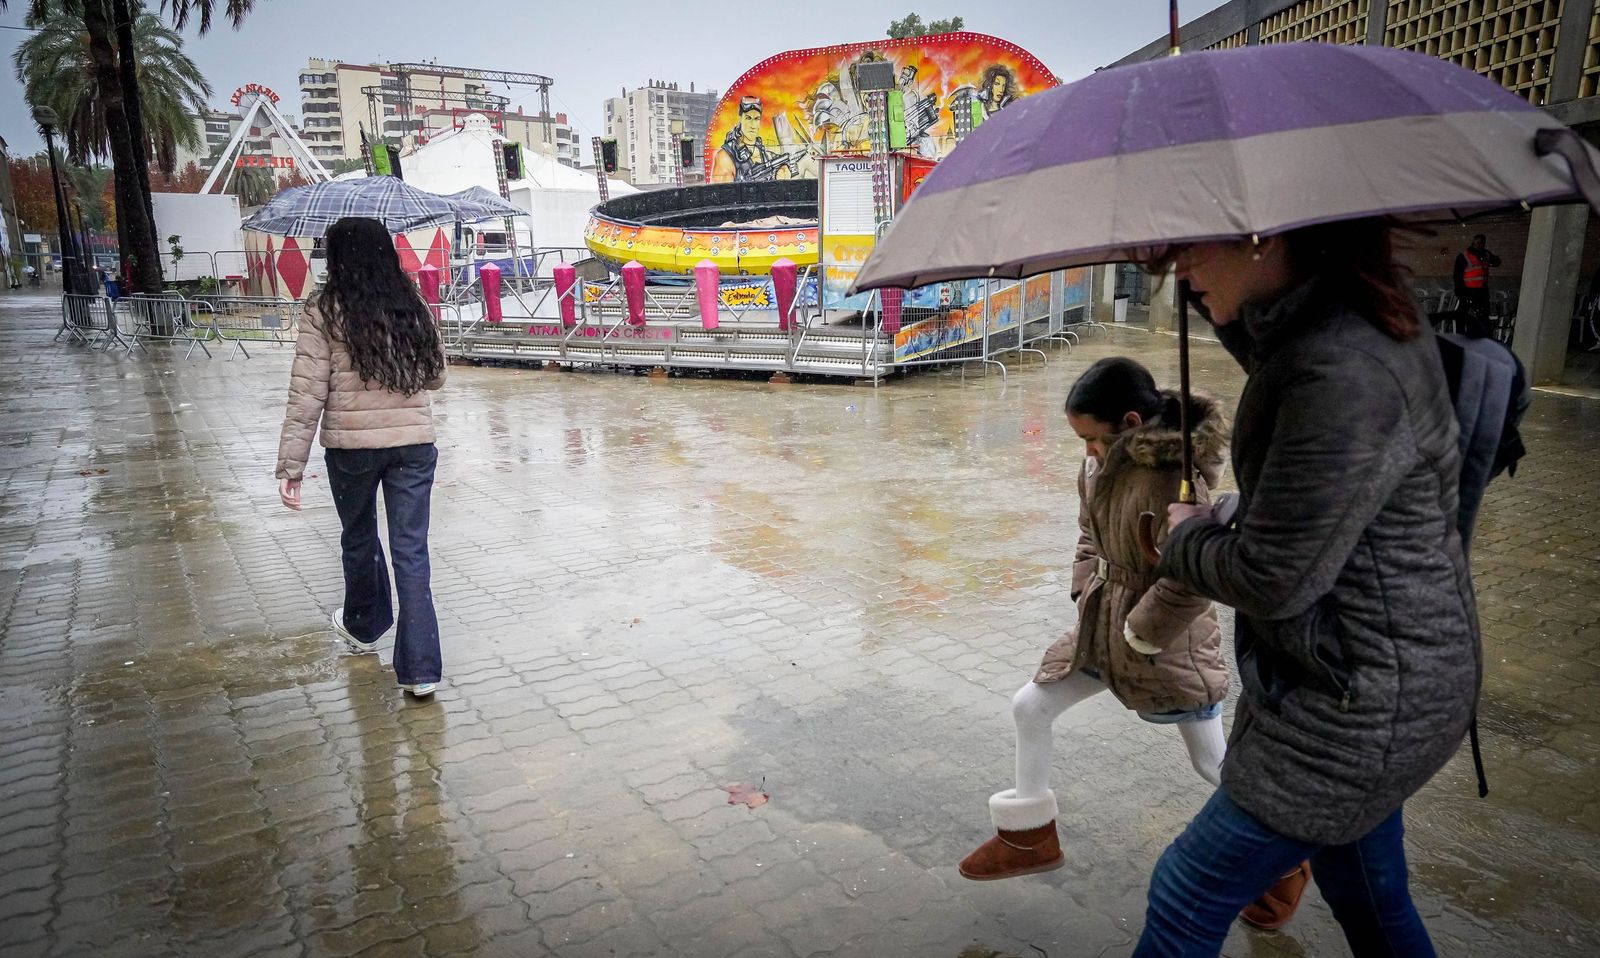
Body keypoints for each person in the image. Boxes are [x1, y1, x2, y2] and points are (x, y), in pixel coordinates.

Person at [1131, 217, 1479, 957]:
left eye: (1189, 248)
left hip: (1359, 702)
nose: (1180, 270)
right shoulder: (1333, 322)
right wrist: (1208, 294)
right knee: (1367, 896)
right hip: (1355, 671)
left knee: (1186, 894)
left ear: (1263, 236)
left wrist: (1185, 536)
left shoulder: (1343, 370)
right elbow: (1270, 348)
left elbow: (1271, 578)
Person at [958, 357, 1231, 882]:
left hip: (1167, 645)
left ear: (1130, 423)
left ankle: (1284, 859)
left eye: (1091, 437)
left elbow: (1198, 575)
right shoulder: (1097, 467)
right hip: (1102, 624)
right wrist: (1087, 583)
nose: (1085, 450)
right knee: (1031, 706)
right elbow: (1089, 532)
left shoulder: (1175, 483)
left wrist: (1142, 632)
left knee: (1210, 762)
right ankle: (1029, 837)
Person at [275, 215, 448, 698]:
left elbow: (306, 394)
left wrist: (291, 466)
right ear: (386, 253)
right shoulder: (408, 303)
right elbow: (436, 377)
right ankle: (421, 672)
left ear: (336, 258)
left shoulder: (323, 311)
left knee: (359, 537)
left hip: (351, 450)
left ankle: (364, 625)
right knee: (411, 551)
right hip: (413, 447)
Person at [1452, 233, 1501, 336]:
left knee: (1483, 317)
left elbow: (1496, 262)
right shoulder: (1464, 256)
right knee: (1462, 315)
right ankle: (1460, 336)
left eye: (1482, 243)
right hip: (1468, 291)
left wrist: (1492, 259)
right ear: (1473, 243)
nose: (1480, 245)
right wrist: (1460, 292)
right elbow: (1457, 275)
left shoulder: (1485, 254)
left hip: (1482, 291)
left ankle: (1484, 337)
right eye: (1478, 242)